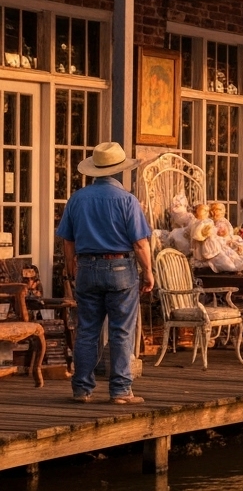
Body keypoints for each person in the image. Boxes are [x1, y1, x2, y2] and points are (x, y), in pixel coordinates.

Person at [56, 142, 152, 405]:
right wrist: (149, 272)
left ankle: (81, 389)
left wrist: (71, 267)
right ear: (119, 169)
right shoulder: (127, 200)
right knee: (122, 331)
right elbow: (140, 243)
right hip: (121, 268)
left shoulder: (77, 198)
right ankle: (120, 391)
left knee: (87, 329)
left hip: (86, 267)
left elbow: (67, 241)